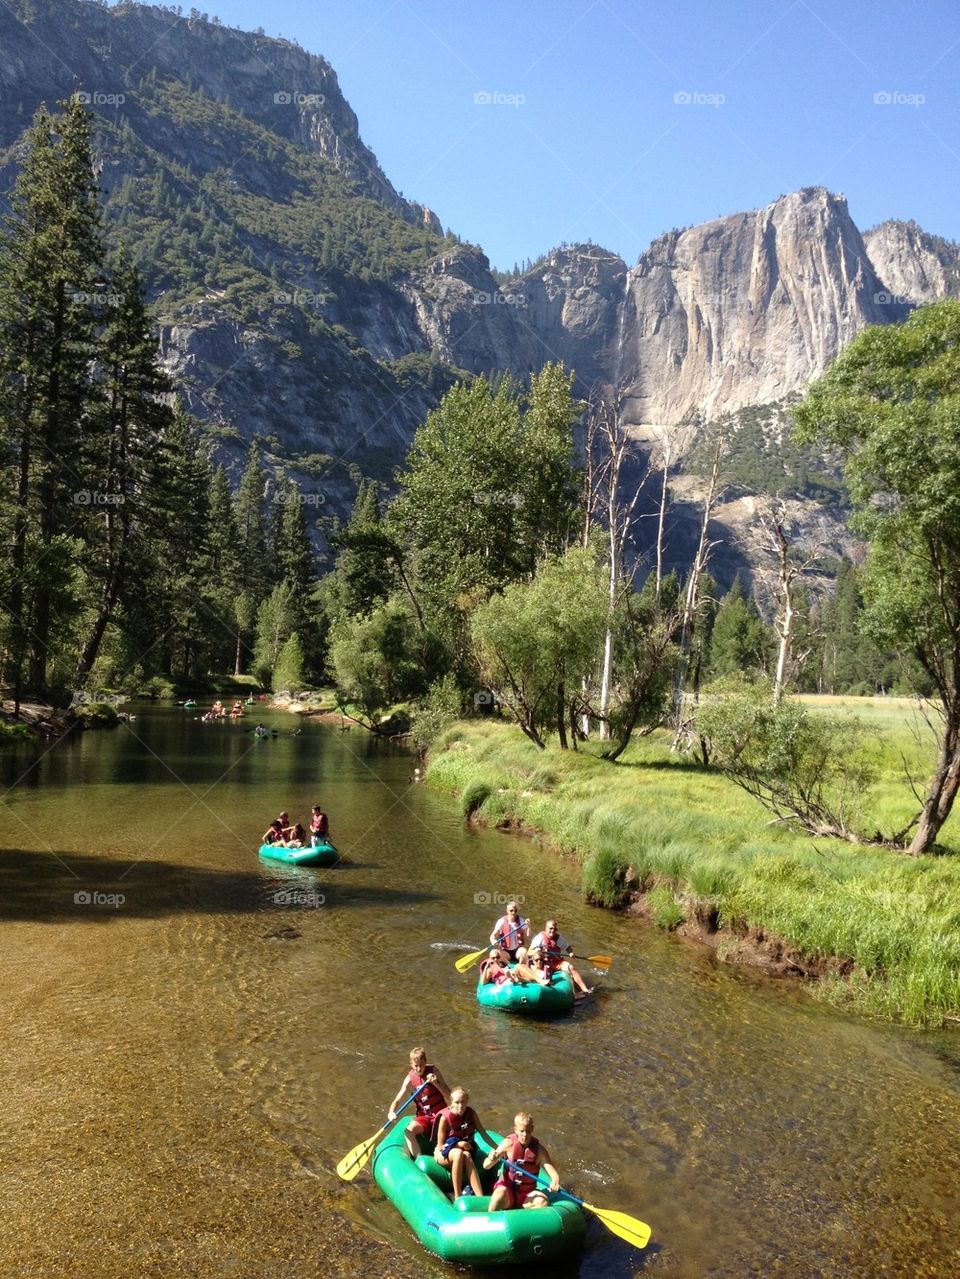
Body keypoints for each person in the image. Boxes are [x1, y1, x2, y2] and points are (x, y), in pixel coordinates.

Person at [484, 1113, 560, 1210]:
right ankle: (492, 1220)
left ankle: (527, 1222)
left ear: (532, 1129)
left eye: (528, 1131)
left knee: (542, 1202)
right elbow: (486, 1166)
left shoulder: (539, 1150)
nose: (525, 1135)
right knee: (498, 1196)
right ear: (515, 1129)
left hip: (527, 1194)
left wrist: (555, 1180)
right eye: (521, 1131)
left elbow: (553, 1172)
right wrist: (491, 1159)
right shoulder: (508, 1143)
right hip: (507, 1189)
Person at [388, 1047, 450, 1160]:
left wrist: (436, 1083)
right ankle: (419, 1160)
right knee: (408, 1131)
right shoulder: (409, 1078)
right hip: (424, 1117)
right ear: (411, 1064)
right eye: (416, 1065)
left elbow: (449, 1096)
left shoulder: (434, 1072)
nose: (419, 1068)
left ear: (425, 1062)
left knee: (444, 1142)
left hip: (440, 1115)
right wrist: (391, 1112)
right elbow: (397, 1099)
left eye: (421, 1065)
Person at [434, 1086, 496, 1200]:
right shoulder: (445, 1118)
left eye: (463, 1102)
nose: (460, 1106)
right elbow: (440, 1145)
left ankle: (480, 1197)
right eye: (457, 1102)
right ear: (451, 1102)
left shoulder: (471, 1113)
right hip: (444, 1154)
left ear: (467, 1102)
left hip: (465, 1152)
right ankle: (457, 1196)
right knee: (458, 1153)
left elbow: (483, 1133)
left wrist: (498, 1149)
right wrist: (459, 1144)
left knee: (466, 1155)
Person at [528, 920, 593, 995]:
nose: (552, 931)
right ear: (546, 928)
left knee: (571, 967)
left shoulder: (559, 939)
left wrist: (570, 952)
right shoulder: (539, 938)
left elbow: (568, 947)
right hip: (543, 964)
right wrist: (537, 951)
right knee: (538, 967)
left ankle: (585, 990)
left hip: (556, 963)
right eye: (550, 928)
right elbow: (529, 952)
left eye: (555, 929)